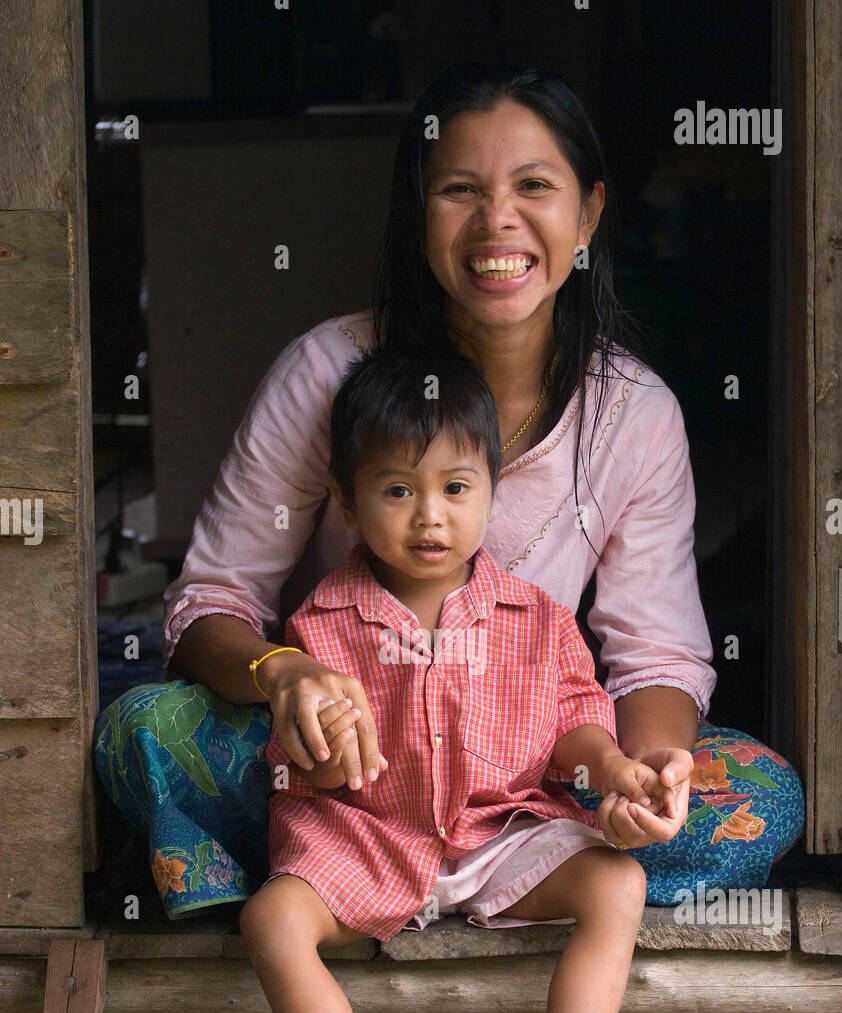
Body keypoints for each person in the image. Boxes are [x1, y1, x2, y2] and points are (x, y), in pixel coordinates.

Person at [94, 61, 804, 920]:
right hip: (339, 783)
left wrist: (644, 778)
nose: (496, 220)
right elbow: (211, 601)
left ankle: (344, 892)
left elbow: (655, 654)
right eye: (459, 188)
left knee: (761, 797)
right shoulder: (327, 374)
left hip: (530, 791)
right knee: (145, 728)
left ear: (587, 215)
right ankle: (371, 878)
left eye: (534, 186)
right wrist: (283, 673)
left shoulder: (636, 416)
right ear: (418, 216)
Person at [241, 342, 670, 1013]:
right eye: (397, 490)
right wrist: (326, 748)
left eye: (455, 489)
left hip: (495, 832)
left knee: (618, 881)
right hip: (365, 837)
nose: (429, 517)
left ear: (492, 494)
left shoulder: (539, 619)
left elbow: (572, 731)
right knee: (272, 919)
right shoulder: (319, 630)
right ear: (347, 501)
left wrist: (613, 770)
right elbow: (304, 770)